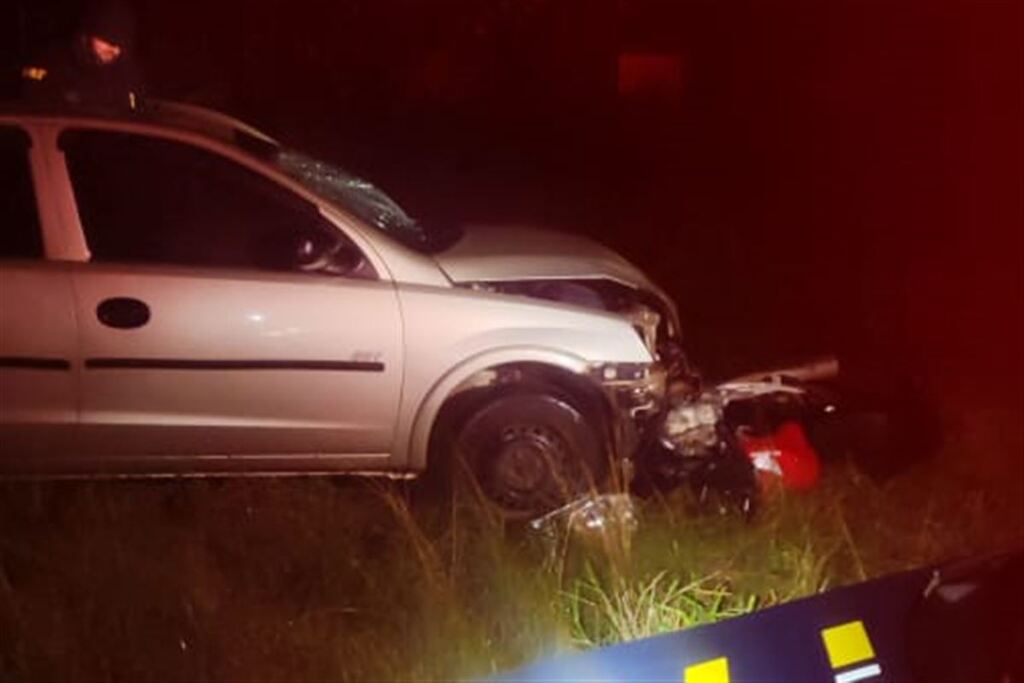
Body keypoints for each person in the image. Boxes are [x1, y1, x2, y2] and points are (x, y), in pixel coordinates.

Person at [20, 0, 144, 111]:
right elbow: (31, 92)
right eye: (109, 40)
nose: (115, 50)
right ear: (89, 36)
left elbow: (137, 110)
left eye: (121, 45)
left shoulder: (127, 75)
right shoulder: (54, 63)